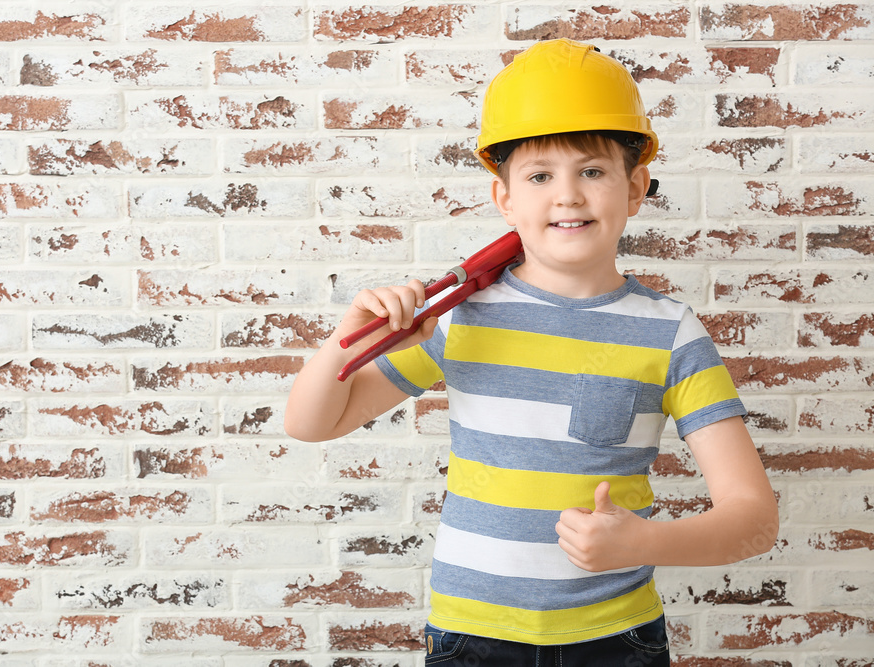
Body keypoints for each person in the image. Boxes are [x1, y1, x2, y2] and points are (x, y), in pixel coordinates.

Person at [284, 38, 778, 666]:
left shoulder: (671, 332)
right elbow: (311, 422)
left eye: (592, 171)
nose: (567, 195)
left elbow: (754, 518)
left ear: (635, 187)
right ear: (505, 199)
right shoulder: (459, 316)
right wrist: (343, 339)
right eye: (540, 175)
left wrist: (643, 541)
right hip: (470, 636)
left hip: (615, 639)